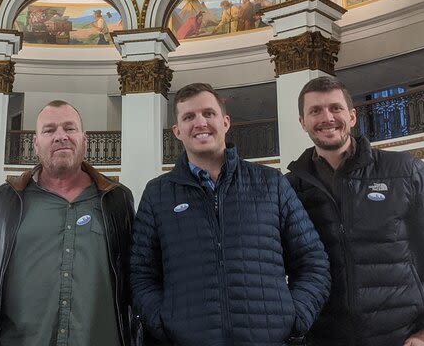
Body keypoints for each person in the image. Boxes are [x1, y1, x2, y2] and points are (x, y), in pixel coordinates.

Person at [131, 82, 330, 346]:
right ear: (177, 131)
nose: (200, 123)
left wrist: (294, 317)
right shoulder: (157, 194)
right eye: (189, 117)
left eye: (208, 113)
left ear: (225, 122)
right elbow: (140, 274)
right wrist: (164, 322)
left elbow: (313, 261)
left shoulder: (271, 183)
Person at [287, 76, 424, 346]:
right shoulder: (290, 188)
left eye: (335, 108)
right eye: (315, 110)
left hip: (403, 337)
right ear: (303, 123)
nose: (327, 117)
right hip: (324, 337)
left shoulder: (405, 171)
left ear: (352, 116)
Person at [0, 100, 135, 346]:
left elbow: (134, 275)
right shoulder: (7, 200)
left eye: (70, 128)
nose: (61, 137)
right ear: (36, 143)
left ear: (84, 139)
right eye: (49, 130)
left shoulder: (116, 199)